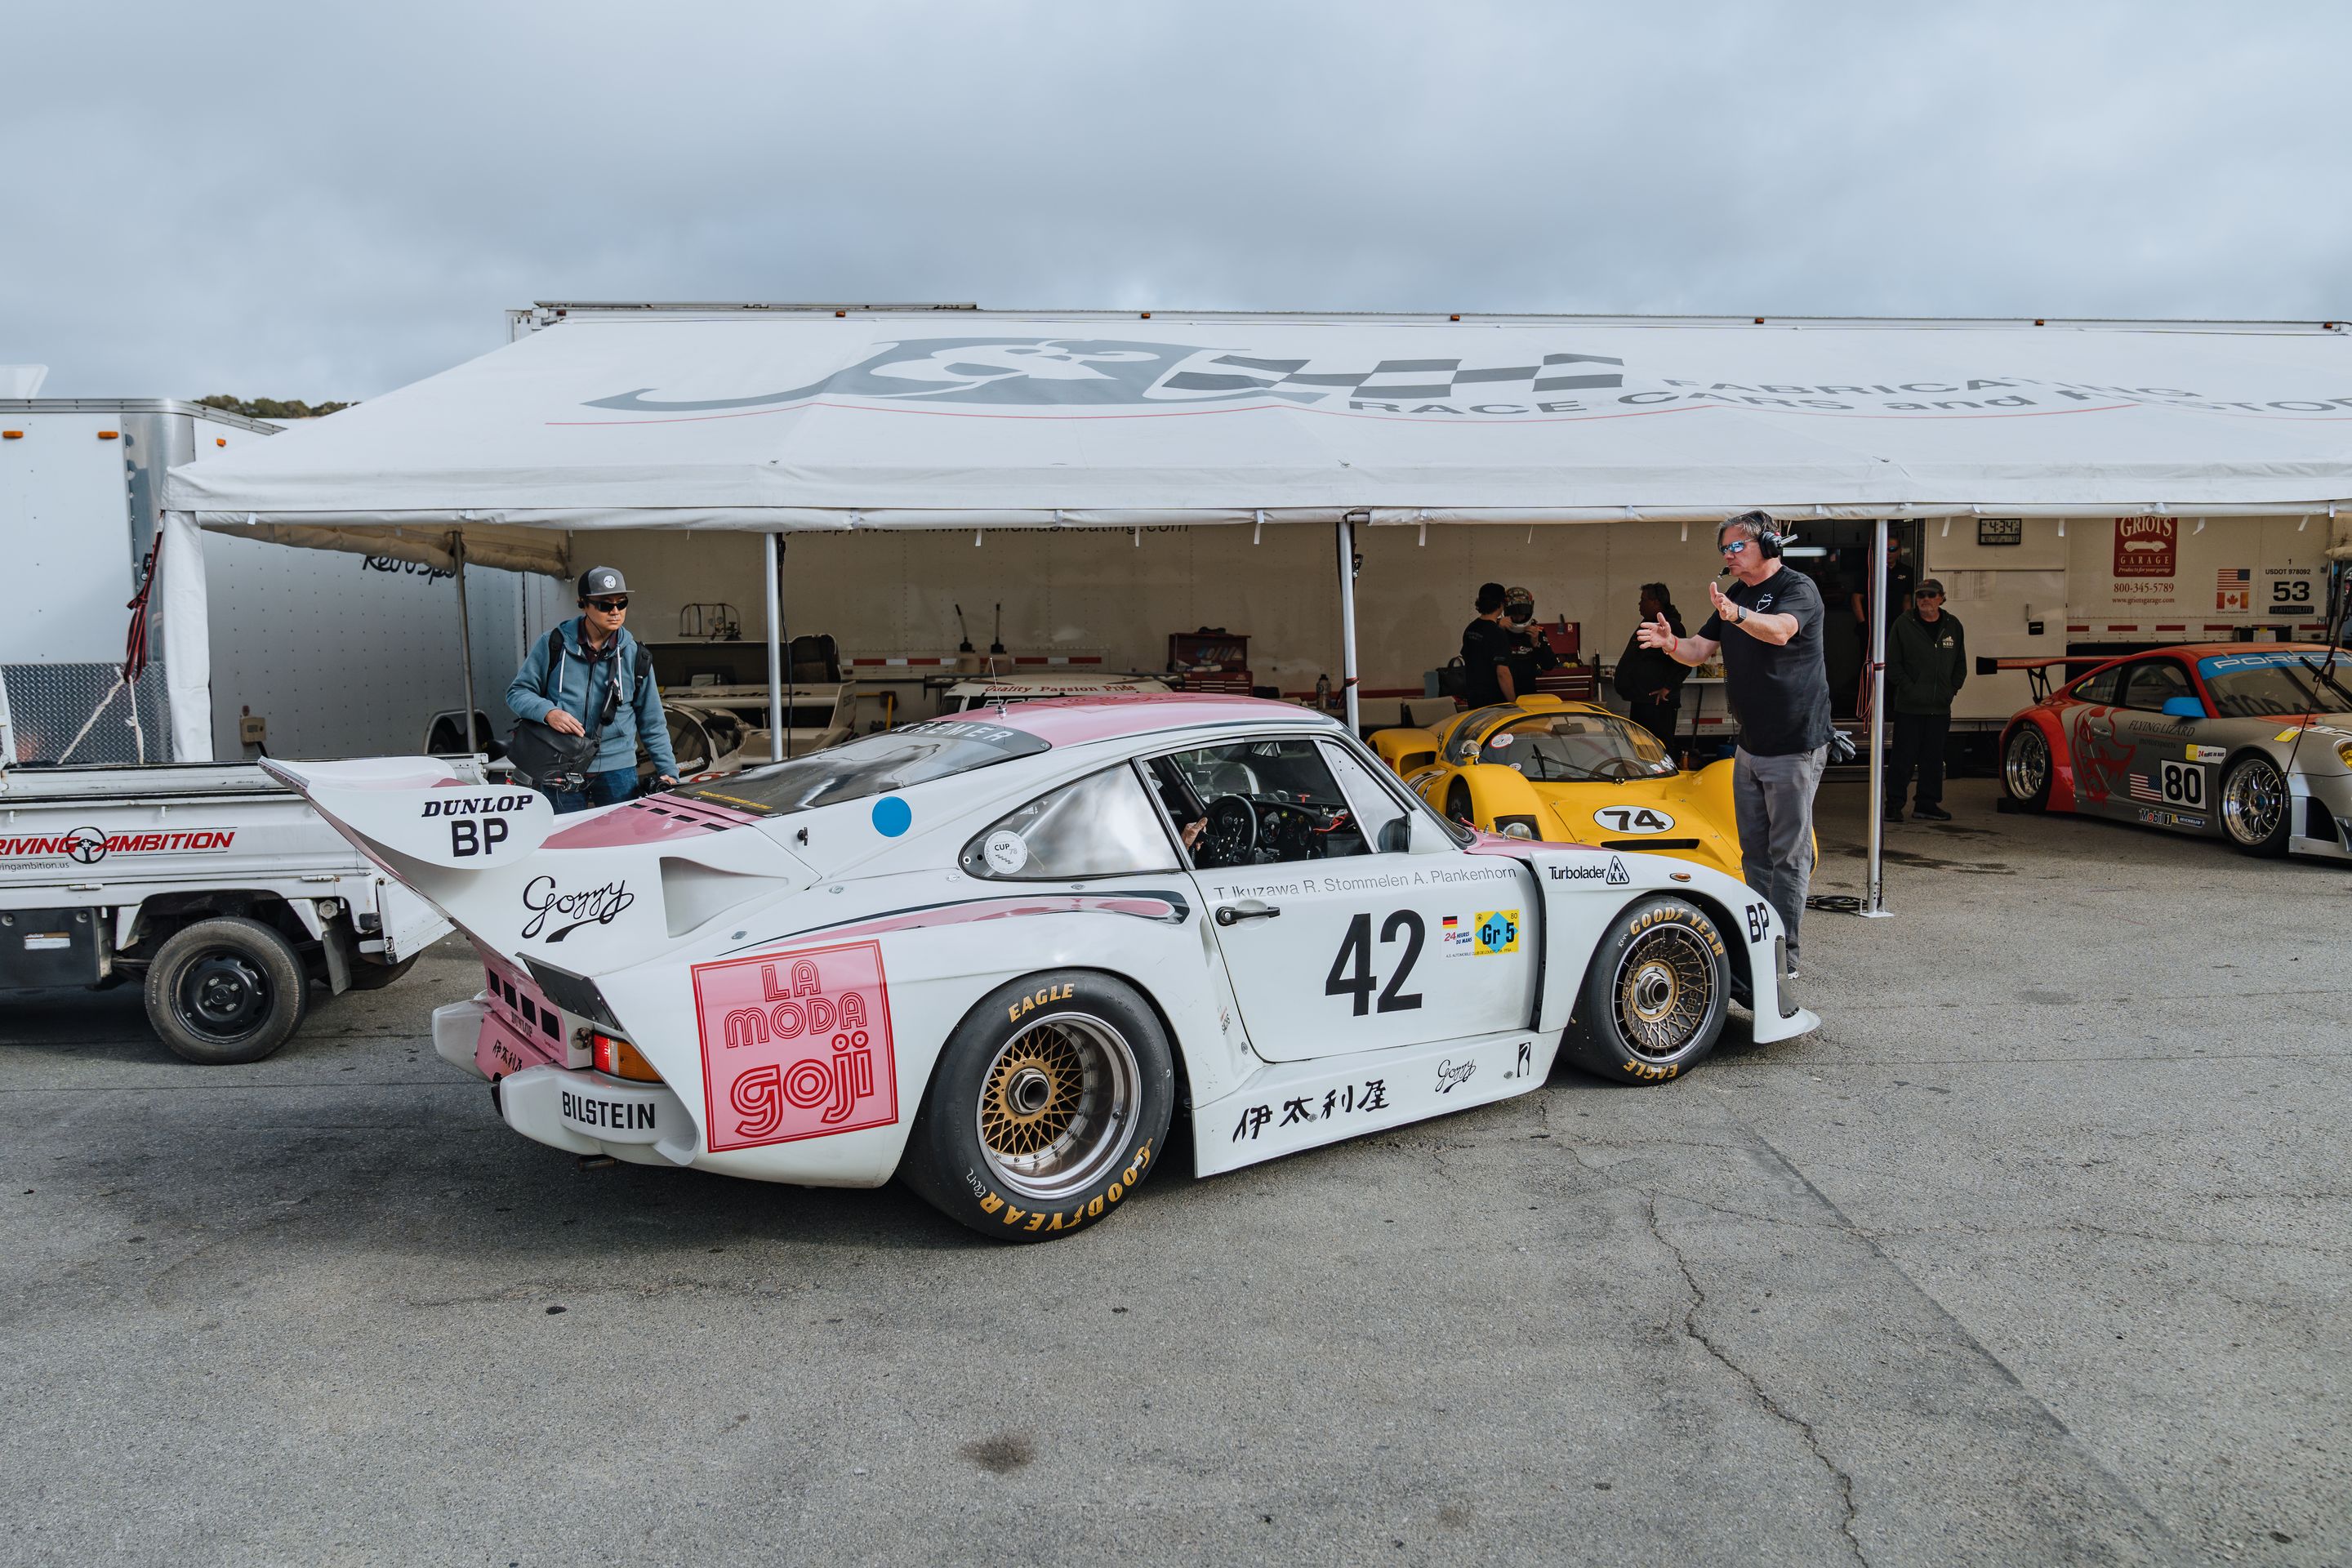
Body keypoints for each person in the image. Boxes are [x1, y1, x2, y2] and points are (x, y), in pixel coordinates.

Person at [1636, 511, 1834, 978]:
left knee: (1789, 854)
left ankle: (1784, 959)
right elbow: (1698, 650)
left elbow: (1783, 630)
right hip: (1751, 744)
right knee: (1755, 854)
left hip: (1794, 743)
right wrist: (1670, 644)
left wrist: (1739, 614)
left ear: (1767, 542)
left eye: (1735, 546)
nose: (1728, 556)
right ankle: (1758, 943)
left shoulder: (1797, 588)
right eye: (1723, 549)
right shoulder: (1735, 596)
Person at [506, 566, 679, 813]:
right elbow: (517, 693)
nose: (615, 612)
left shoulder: (636, 655)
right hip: (558, 764)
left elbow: (652, 721)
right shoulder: (553, 644)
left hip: (618, 770)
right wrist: (548, 713)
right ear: (583, 604)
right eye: (605, 605)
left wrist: (668, 771)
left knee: (622, 843)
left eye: (622, 603)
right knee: (566, 843)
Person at [1883, 577, 1966, 822]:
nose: (1925, 600)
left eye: (1931, 595)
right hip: (1909, 707)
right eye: (1921, 596)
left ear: (1941, 598)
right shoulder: (1904, 623)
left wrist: (1952, 689)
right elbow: (1893, 665)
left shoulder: (1953, 625)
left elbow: (1960, 662)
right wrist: (1911, 689)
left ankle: (1927, 804)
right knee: (1903, 758)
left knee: (1933, 758)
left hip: (1940, 707)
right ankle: (1894, 804)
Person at [1614, 582, 1689, 746]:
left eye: (1643, 600)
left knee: (1658, 748)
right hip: (1641, 699)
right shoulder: (1648, 623)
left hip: (1657, 704)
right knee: (1641, 748)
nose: (1639, 604)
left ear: (1656, 602)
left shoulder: (1671, 627)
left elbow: (1684, 662)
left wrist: (1667, 688)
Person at [1459, 582, 1518, 707]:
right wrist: (1513, 703)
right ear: (1501, 604)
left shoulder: (1471, 628)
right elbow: (1502, 673)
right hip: (1494, 704)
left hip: (1474, 699)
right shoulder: (1497, 634)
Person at [1502, 586, 1561, 697]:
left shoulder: (1537, 631)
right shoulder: (1499, 630)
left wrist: (1536, 644)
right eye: (1514, 613)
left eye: (1522, 612)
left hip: (1527, 695)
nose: (1519, 617)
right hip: (1501, 695)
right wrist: (1498, 632)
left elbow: (1549, 665)